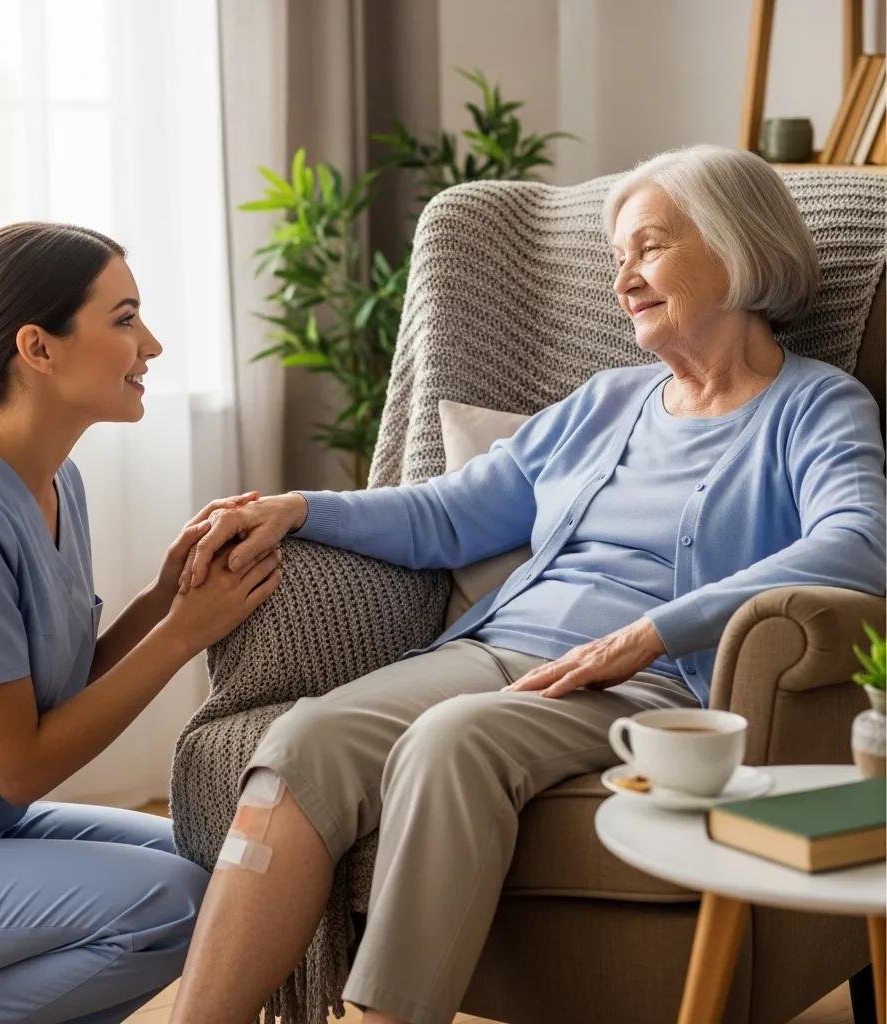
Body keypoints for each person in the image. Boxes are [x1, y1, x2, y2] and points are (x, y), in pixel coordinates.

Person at [166, 145, 886, 1024]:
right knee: (303, 744)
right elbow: (450, 514)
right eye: (618, 258)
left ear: (736, 248)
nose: (625, 279)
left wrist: (657, 632)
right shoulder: (606, 402)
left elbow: (859, 544)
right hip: (496, 650)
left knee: (453, 742)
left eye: (649, 249)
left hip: (652, 682)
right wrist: (299, 508)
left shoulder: (818, 406)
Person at [0, 223, 282, 1024]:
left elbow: (51, 688)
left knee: (234, 879)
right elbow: (20, 765)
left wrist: (166, 594)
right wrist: (184, 634)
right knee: (174, 904)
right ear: (39, 347)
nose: (150, 345)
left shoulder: (52, 481)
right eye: (124, 320)